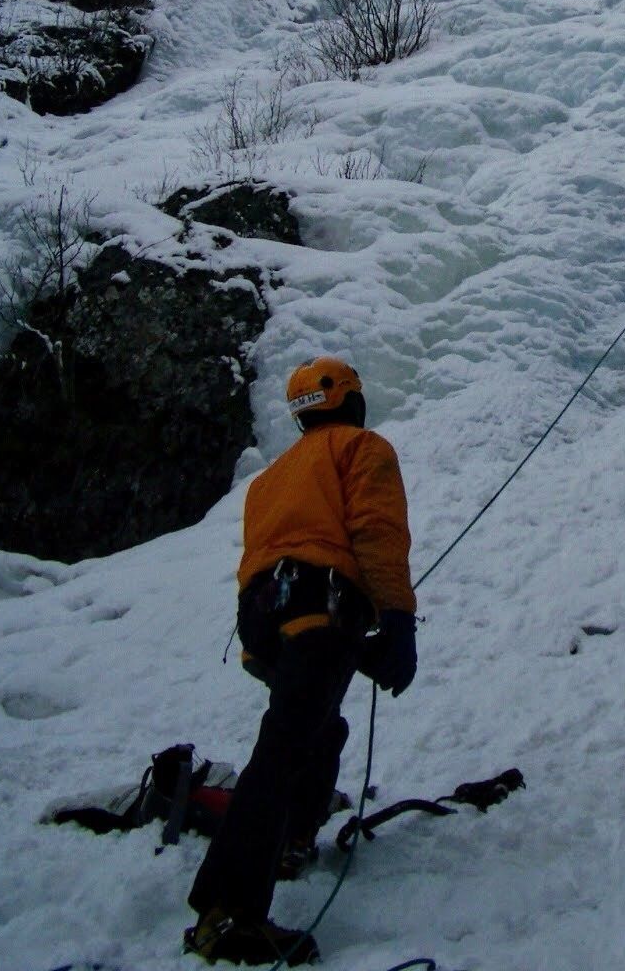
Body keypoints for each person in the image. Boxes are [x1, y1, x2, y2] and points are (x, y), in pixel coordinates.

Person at [185, 356, 417, 967]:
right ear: (350, 401)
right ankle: (228, 911)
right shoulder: (361, 449)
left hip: (264, 622)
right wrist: (394, 618)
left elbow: (277, 554)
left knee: (316, 727)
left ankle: (289, 838)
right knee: (286, 745)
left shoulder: (272, 477)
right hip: (321, 605)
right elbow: (375, 531)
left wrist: (355, 645)